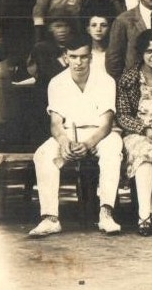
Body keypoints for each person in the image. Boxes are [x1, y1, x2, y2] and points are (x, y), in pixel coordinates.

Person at [28, 35, 123, 238]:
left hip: (99, 134)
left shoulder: (106, 81)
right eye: (73, 57)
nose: (78, 62)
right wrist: (64, 143)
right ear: (65, 57)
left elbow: (106, 124)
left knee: (113, 149)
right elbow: (55, 123)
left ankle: (106, 213)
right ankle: (50, 218)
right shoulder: (56, 82)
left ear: (91, 57)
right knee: (43, 153)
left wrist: (88, 144)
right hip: (68, 133)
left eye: (83, 57)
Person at [116, 29, 152, 236]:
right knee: (144, 155)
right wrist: (144, 129)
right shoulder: (129, 77)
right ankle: (143, 215)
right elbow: (122, 115)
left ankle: (151, 211)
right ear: (141, 52)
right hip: (138, 131)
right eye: (149, 51)